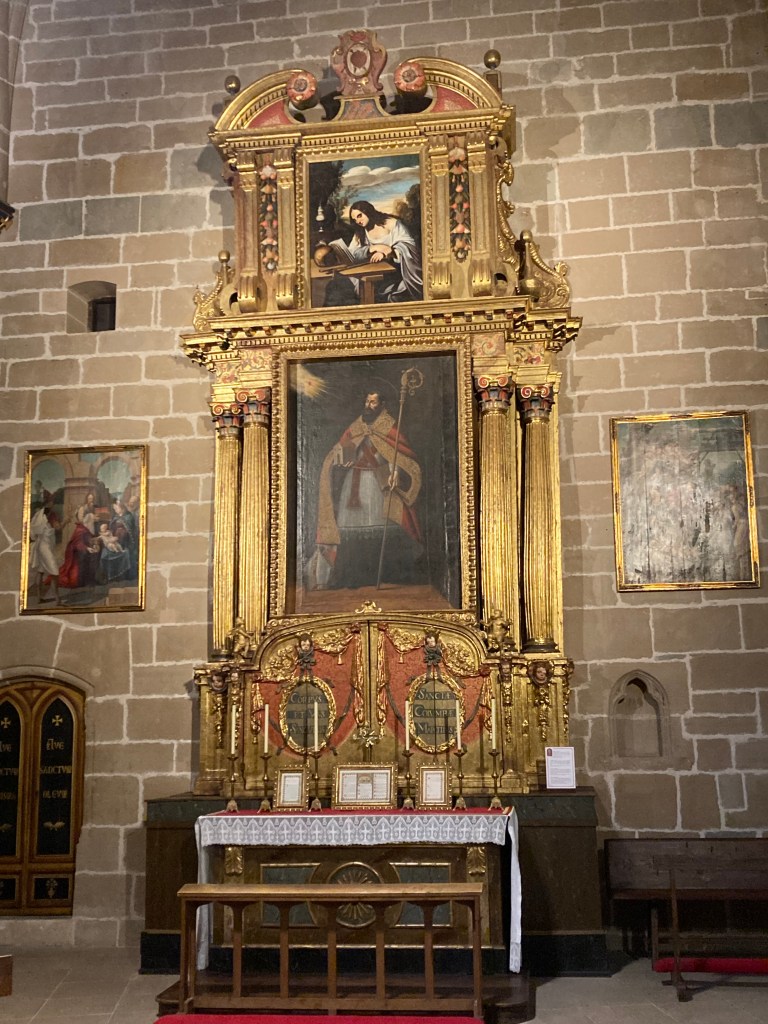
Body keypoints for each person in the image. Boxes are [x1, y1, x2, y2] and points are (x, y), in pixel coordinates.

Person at [307, 389, 422, 590]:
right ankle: (354, 576)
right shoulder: (357, 426)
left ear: (382, 404)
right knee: (350, 528)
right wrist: (340, 459)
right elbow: (341, 450)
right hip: (354, 483)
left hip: (379, 482)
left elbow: (397, 454)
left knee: (383, 526)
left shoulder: (390, 427)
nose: (368, 405)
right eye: (367, 401)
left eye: (373, 402)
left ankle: (385, 574)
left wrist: (395, 472)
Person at [322, 200, 423, 305]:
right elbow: (352, 252)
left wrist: (388, 252)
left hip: (398, 273)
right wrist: (371, 249)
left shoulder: (391, 223)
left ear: (368, 211)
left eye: (360, 216)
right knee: (335, 285)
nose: (358, 221)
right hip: (375, 272)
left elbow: (410, 246)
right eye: (355, 219)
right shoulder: (361, 231)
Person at [58, 499, 100, 591]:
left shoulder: (86, 526)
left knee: (94, 556)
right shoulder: (79, 529)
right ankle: (84, 581)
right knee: (84, 556)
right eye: (81, 514)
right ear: (78, 516)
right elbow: (78, 544)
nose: (83, 516)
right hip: (77, 552)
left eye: (83, 514)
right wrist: (88, 548)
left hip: (85, 548)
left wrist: (95, 544)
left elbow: (90, 538)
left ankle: (91, 579)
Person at [28, 501, 63, 603]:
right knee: (55, 572)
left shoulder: (39, 516)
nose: (53, 505)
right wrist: (67, 520)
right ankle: (57, 600)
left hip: (41, 546)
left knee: (40, 571)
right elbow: (58, 527)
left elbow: (33, 532)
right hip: (45, 548)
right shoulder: (51, 515)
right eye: (51, 503)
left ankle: (39, 598)